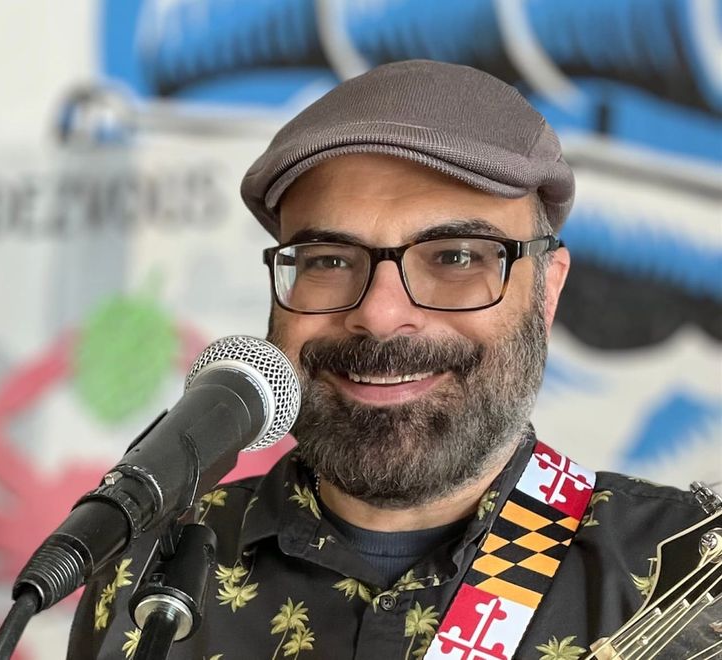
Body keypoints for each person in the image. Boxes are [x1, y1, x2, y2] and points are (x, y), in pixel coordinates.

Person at [68, 60, 708, 660]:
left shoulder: (696, 578)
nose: (378, 314)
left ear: (548, 292)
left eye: (456, 257)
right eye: (328, 260)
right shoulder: (138, 569)